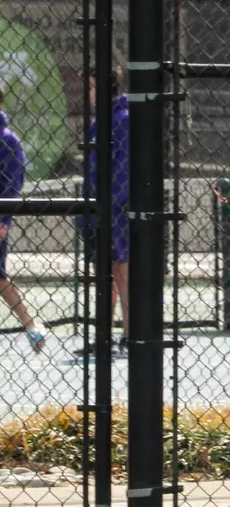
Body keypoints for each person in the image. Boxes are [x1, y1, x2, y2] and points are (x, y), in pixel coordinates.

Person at [79, 84, 129, 358]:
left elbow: (124, 168)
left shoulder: (122, 119)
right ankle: (104, 339)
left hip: (116, 211)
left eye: (92, 87)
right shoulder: (99, 123)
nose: (89, 93)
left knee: (122, 273)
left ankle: (130, 339)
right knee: (104, 274)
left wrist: (110, 204)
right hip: (98, 209)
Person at [0, 89, 47, 353]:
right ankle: (31, 326)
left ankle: (31, 326)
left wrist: (3, 218)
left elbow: (13, 184)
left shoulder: (8, 140)